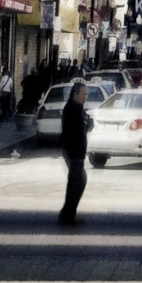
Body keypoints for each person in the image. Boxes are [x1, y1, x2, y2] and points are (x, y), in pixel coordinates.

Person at [58, 80, 93, 226]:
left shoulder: (78, 108)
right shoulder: (72, 108)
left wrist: (87, 123)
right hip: (74, 151)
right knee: (78, 182)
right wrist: (86, 123)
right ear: (75, 94)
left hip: (77, 151)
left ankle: (67, 212)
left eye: (86, 94)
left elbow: (87, 124)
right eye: (83, 94)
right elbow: (76, 129)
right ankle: (68, 214)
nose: (85, 97)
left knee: (75, 182)